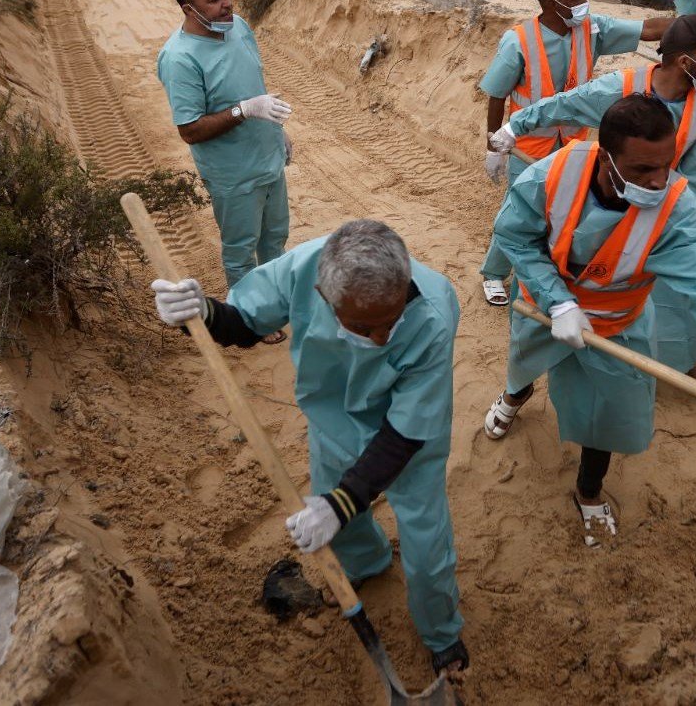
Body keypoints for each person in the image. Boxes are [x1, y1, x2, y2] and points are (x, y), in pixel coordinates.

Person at [483, 96, 696, 544]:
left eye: (666, 165)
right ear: (606, 158)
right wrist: (557, 301)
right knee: (524, 361)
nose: (659, 181)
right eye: (643, 170)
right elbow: (514, 236)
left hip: (616, 324)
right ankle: (513, 396)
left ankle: (587, 492)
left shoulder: (676, 210)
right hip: (542, 310)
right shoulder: (552, 176)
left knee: (607, 413)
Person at [149, 220, 468, 676]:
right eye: (363, 326)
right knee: (339, 510)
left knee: (426, 537)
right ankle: (368, 561)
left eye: (391, 322)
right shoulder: (303, 270)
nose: (380, 338)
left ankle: (441, 632)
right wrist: (200, 313)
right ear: (324, 295)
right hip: (333, 417)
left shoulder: (433, 310)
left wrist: (340, 504)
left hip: (408, 435)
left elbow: (403, 435)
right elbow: (242, 325)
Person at [491, 14, 696, 372]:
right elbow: (565, 104)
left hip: (658, 209)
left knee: (665, 295)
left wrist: (674, 226)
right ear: (685, 62)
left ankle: (663, 362)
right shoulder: (618, 90)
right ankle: (534, 352)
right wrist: (514, 127)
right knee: (561, 259)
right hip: (604, 200)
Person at [476, 0, 672, 306]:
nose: (584, 3)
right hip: (529, 146)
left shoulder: (591, 28)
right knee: (519, 213)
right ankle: (494, 274)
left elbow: (649, 29)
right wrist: (493, 146)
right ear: (552, 4)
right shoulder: (519, 40)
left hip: (573, 145)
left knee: (564, 213)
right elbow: (497, 95)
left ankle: (548, 277)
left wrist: (694, 30)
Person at [157, 0, 294, 296]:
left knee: (275, 237)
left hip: (268, 159)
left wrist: (277, 133)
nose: (227, 3)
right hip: (234, 175)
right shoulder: (179, 59)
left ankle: (273, 299)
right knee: (241, 249)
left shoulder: (238, 28)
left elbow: (253, 84)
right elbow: (190, 130)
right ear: (189, 9)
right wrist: (244, 110)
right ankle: (248, 314)